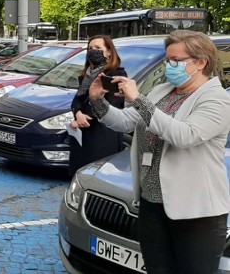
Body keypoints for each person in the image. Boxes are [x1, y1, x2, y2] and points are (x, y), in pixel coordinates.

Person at [88, 30, 230, 274]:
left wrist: (138, 100)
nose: (169, 66)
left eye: (176, 61)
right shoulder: (162, 91)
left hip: (194, 211)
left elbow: (183, 135)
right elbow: (124, 122)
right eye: (167, 60)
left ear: (201, 62)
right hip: (152, 203)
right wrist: (98, 102)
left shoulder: (216, 99)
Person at [67, 35, 126, 177]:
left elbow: (113, 104)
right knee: (79, 174)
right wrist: (78, 113)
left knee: (97, 176)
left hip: (103, 134)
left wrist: (85, 119)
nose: (93, 51)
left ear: (109, 52)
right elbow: (78, 99)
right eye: (90, 48)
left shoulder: (115, 74)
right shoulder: (87, 75)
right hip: (83, 135)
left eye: (98, 48)